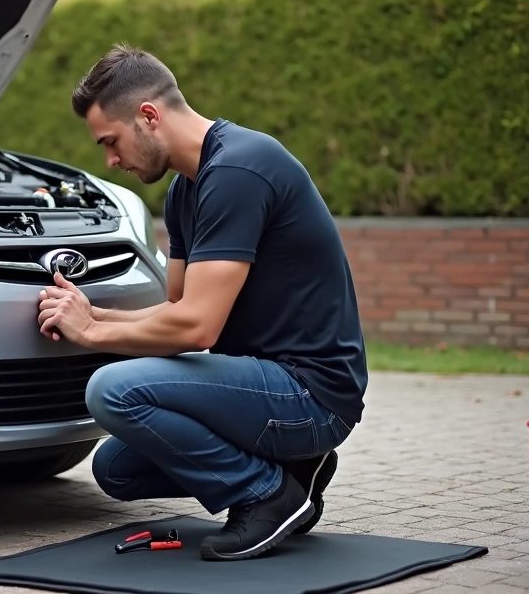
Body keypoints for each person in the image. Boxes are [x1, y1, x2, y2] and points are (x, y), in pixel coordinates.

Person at [36, 43, 368, 561]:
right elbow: (178, 306)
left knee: (111, 391)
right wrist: (94, 312)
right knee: (116, 469)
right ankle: (296, 471)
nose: (110, 161)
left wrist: (93, 333)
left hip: (312, 396)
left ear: (149, 116)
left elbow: (196, 330)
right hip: (267, 385)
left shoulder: (239, 169)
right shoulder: (184, 191)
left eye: (111, 142)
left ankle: (268, 495)